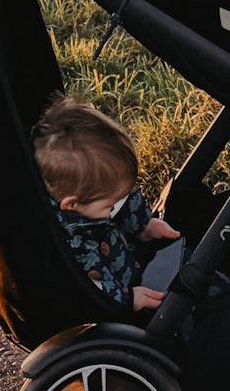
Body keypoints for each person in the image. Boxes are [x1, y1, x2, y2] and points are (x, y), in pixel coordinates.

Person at [32, 97, 180, 311]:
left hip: (131, 262)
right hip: (125, 294)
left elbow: (124, 203)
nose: (116, 205)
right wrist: (128, 298)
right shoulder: (76, 245)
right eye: (110, 205)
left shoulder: (92, 198)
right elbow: (93, 290)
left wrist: (143, 226)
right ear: (71, 205)